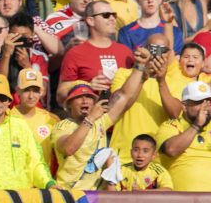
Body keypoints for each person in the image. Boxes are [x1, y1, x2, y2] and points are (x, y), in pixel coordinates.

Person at [51, 47, 148, 189]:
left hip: (95, 197)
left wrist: (139, 66)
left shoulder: (100, 121)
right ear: (69, 104)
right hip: (69, 195)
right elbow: (69, 149)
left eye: (89, 97)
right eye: (79, 97)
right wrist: (89, 119)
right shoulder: (62, 126)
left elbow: (124, 96)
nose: (85, 101)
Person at [156, 81, 211, 192]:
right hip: (181, 198)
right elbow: (171, 149)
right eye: (199, 102)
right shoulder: (170, 126)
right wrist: (196, 125)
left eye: (208, 101)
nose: (205, 106)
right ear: (184, 106)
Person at [57, 0, 135, 101]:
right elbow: (60, 94)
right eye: (106, 15)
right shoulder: (75, 53)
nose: (112, 19)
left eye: (113, 15)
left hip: (122, 113)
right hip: (91, 114)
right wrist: (87, 88)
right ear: (91, 21)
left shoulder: (125, 52)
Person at [109, 134, 174, 191]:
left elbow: (167, 190)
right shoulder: (121, 169)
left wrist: (142, 192)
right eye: (136, 150)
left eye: (145, 151)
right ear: (131, 153)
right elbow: (112, 193)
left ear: (153, 155)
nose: (140, 155)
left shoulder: (159, 171)